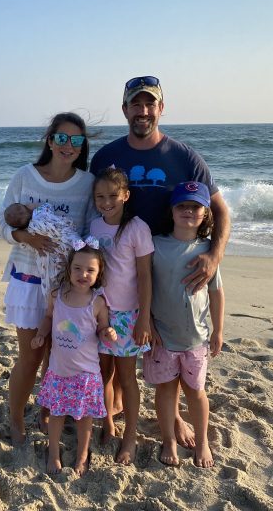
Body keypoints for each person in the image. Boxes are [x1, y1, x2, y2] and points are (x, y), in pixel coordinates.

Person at [90, 75, 231, 448]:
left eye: (150, 103)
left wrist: (214, 256)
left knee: (170, 344)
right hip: (121, 268)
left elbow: (220, 210)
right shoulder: (106, 157)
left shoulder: (184, 157)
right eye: (136, 104)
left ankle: (175, 415)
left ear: (161, 108)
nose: (143, 110)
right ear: (125, 110)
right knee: (120, 346)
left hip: (168, 265)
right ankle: (117, 402)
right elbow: (92, 206)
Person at [0, 112, 96, 445]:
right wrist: (26, 238)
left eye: (77, 140)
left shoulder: (86, 182)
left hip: (66, 286)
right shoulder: (25, 177)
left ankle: (47, 408)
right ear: (50, 140)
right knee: (32, 355)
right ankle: (14, 418)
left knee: (57, 353)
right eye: (63, 138)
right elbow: (0, 223)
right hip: (27, 281)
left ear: (82, 146)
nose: (69, 146)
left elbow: (87, 233)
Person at [144, 181, 224, 467]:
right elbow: (145, 286)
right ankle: (168, 440)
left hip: (196, 339)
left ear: (205, 213)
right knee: (165, 390)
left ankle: (202, 441)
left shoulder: (207, 252)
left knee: (195, 391)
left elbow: (216, 292)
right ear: (172, 210)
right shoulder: (156, 244)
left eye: (195, 207)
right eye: (182, 205)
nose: (188, 211)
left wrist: (219, 330)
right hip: (162, 336)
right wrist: (148, 323)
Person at [31, 245, 117, 475]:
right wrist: (41, 334)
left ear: (99, 274)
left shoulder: (97, 302)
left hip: (86, 373)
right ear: (68, 269)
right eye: (77, 268)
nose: (83, 274)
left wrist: (108, 333)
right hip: (59, 370)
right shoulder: (57, 295)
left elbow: (102, 330)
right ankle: (54, 453)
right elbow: (49, 317)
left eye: (90, 270)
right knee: (57, 414)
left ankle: (82, 455)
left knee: (84, 418)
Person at [89, 167, 154, 465]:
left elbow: (144, 276)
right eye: (100, 197)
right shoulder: (93, 227)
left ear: (126, 195)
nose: (106, 202)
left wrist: (144, 318)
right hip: (100, 313)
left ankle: (129, 435)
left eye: (112, 196)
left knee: (127, 377)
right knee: (103, 373)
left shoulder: (137, 228)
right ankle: (107, 423)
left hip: (128, 315)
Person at [3, 201, 83, 295]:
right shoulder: (39, 213)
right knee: (73, 244)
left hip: (53, 253)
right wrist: (35, 206)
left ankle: (55, 290)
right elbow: (48, 206)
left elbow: (27, 246)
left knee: (52, 267)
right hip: (66, 238)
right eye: (23, 206)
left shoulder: (28, 232)